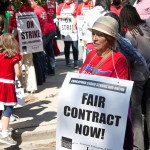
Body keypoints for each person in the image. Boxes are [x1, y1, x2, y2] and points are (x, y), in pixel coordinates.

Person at [79, 16, 133, 150]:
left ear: (110, 39)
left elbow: (121, 94)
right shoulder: (90, 55)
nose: (94, 38)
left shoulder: (119, 60)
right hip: (88, 119)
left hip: (105, 124)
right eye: (93, 34)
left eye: (100, 35)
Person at [120, 5, 150, 150]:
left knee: (136, 113)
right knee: (149, 110)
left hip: (137, 77)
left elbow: (129, 59)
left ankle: (139, 146)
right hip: (148, 74)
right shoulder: (146, 28)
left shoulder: (131, 35)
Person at [8, 0, 38, 93]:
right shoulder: (30, 10)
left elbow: (13, 29)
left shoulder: (16, 10)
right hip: (29, 41)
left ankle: (20, 88)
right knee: (30, 64)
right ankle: (32, 87)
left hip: (18, 43)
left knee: (18, 65)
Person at [0, 33, 23, 145]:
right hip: (8, 85)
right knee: (8, 109)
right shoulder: (14, 56)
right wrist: (22, 82)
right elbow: (18, 72)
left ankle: (2, 129)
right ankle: (4, 134)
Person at [56, 0, 79, 69]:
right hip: (65, 29)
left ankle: (75, 62)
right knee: (67, 45)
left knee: (75, 46)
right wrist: (61, 16)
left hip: (73, 29)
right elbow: (57, 16)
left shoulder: (75, 5)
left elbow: (78, 15)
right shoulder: (61, 5)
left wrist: (74, 13)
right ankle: (67, 60)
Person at [30, 0, 47, 84]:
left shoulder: (36, 11)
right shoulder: (42, 10)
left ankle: (40, 79)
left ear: (36, 2)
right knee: (41, 57)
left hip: (38, 37)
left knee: (37, 58)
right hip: (42, 35)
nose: (30, 4)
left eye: (31, 2)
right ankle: (43, 76)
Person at [42, 1, 56, 76]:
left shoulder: (44, 2)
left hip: (46, 29)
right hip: (52, 27)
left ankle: (44, 69)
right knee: (50, 49)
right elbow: (54, 15)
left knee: (42, 50)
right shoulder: (53, 2)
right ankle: (51, 69)